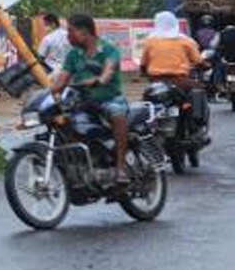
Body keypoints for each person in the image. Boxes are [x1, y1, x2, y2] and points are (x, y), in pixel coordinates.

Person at [51, 14, 129, 186]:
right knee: (64, 122)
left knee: (117, 113)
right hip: (83, 102)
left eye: (71, 31)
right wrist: (47, 92)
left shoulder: (108, 49)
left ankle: (121, 167)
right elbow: (61, 81)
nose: (68, 36)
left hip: (109, 99)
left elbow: (108, 71)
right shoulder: (73, 54)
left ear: (85, 32)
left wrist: (99, 80)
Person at [140, 11, 204, 91]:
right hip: (180, 80)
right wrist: (205, 65)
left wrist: (144, 72)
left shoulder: (149, 41)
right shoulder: (186, 41)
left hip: (156, 79)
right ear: (175, 24)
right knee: (200, 89)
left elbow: (143, 63)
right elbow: (198, 61)